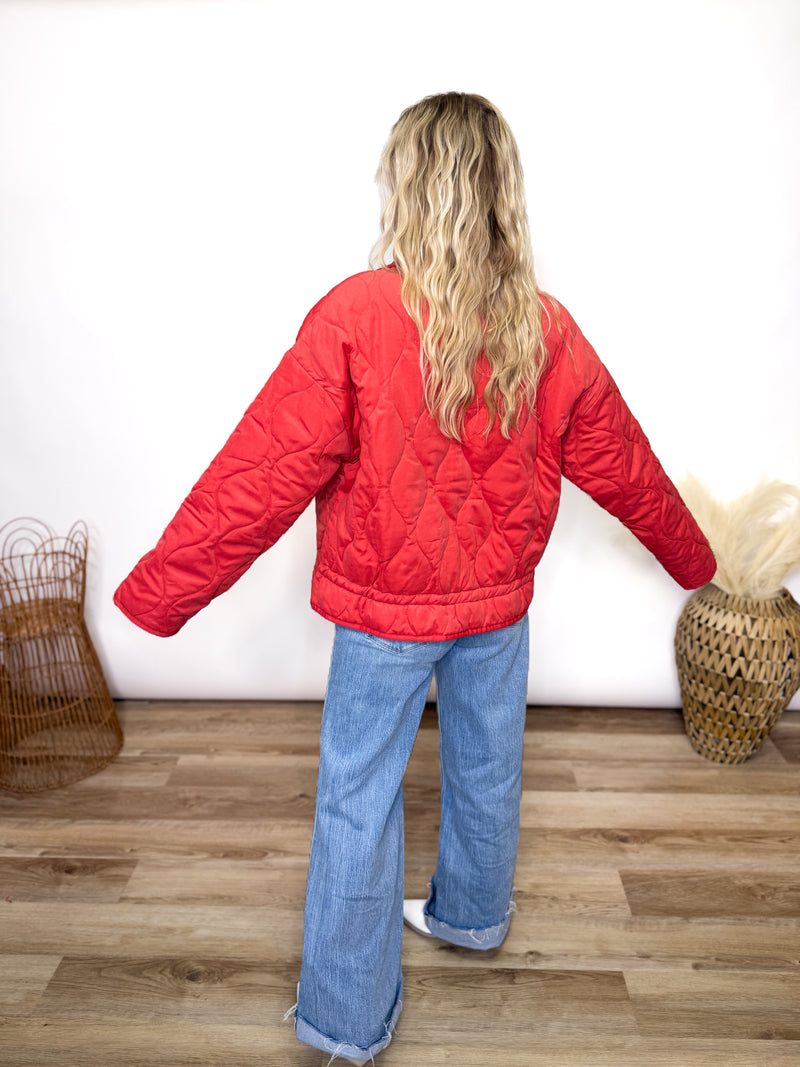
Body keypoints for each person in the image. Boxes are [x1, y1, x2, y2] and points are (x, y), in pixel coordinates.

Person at [114, 92, 716, 1064]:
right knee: (487, 762)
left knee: (358, 794)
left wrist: (158, 590)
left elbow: (257, 472)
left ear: (406, 186)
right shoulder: (545, 327)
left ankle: (348, 1020)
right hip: (494, 608)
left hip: (384, 612)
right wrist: (696, 560)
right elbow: (627, 465)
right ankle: (472, 917)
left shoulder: (355, 315)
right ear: (500, 195)